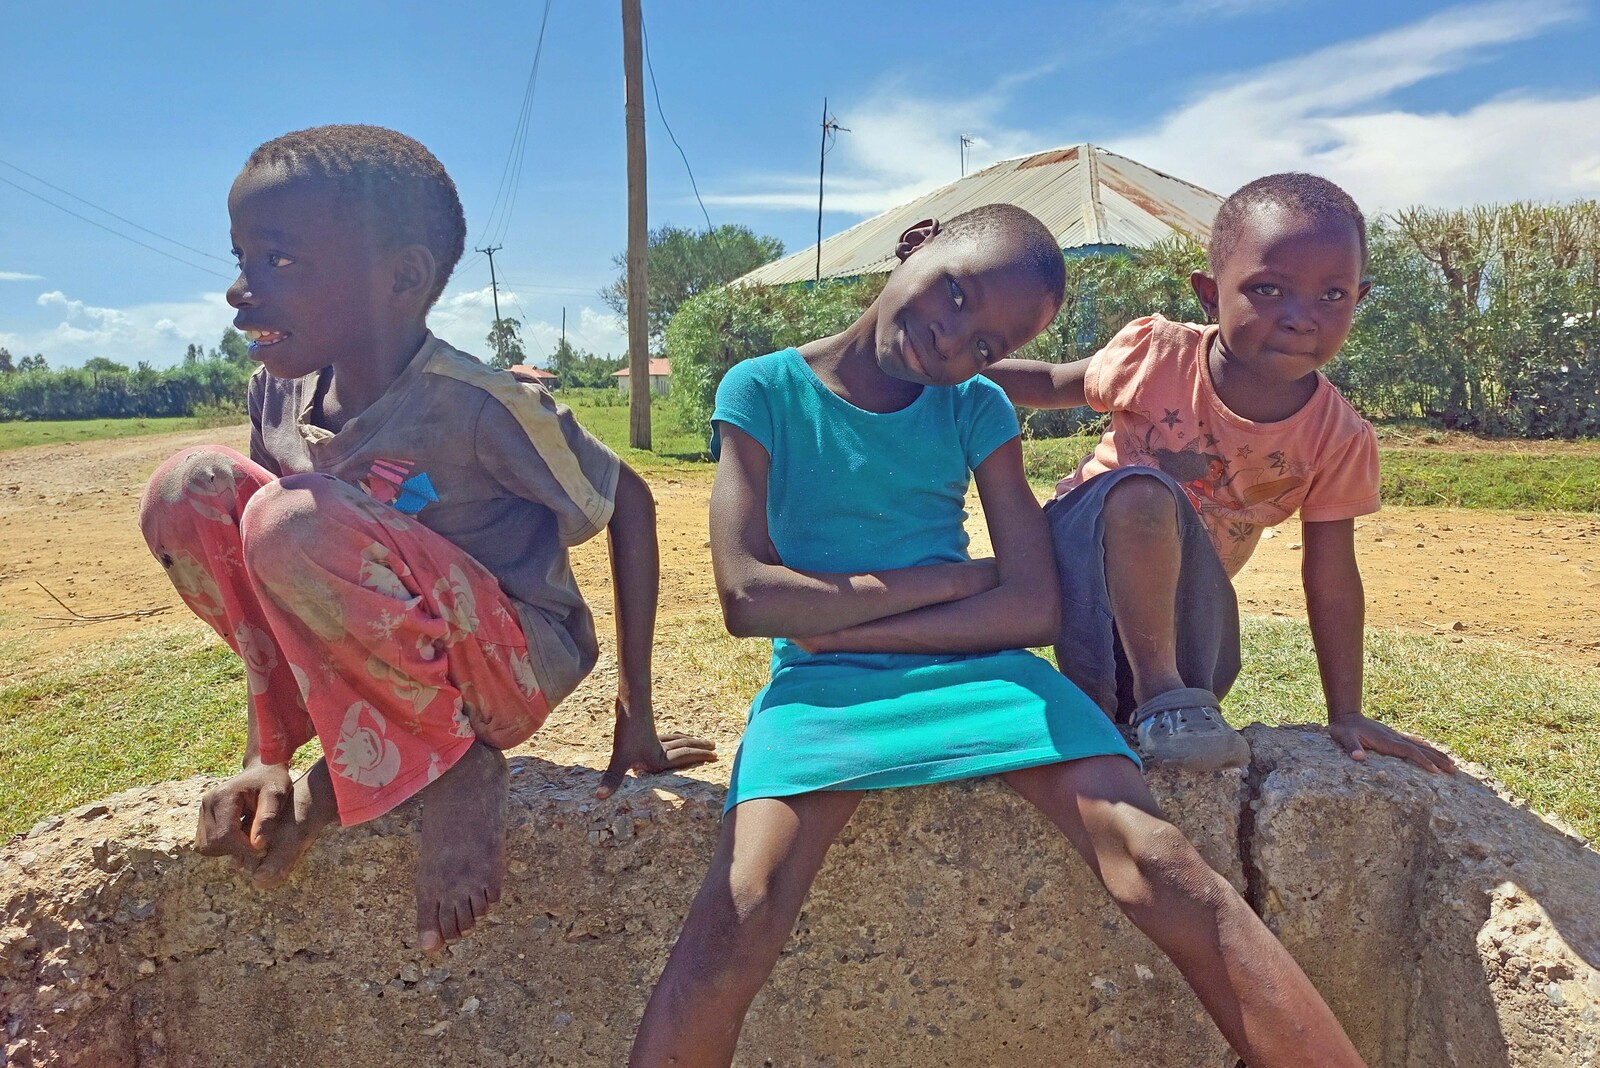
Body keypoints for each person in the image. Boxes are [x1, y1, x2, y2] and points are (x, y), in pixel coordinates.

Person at [630, 204, 1366, 1067]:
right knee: (743, 906)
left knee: (1161, 860)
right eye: (955, 294)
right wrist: (952, 580)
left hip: (982, 675)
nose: (953, 342)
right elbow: (751, 598)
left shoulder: (973, 407)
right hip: (821, 690)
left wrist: (850, 615)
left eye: (985, 346)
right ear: (918, 247)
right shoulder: (762, 390)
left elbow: (1030, 609)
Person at [138, 124, 715, 952]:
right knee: (188, 490)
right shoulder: (277, 394)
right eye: (242, 257)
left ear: (402, 277)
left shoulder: (480, 404)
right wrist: (265, 749)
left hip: (503, 666)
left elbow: (631, 504)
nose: (240, 288)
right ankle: (320, 755)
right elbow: (268, 577)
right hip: (378, 665)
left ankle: (456, 767)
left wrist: (638, 711)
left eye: (280, 260)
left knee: (289, 516)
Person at [985, 173, 1457, 775]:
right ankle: (1162, 696)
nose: (1301, 318)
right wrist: (955, 365)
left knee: (1207, 661)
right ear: (1211, 295)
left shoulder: (1337, 437)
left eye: (1332, 295)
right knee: (1144, 494)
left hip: (1176, 604)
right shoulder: (1158, 357)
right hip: (1073, 555)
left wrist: (1347, 711)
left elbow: (1332, 574)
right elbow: (1052, 384)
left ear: (1359, 300)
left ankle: (1150, 707)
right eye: (1268, 288)